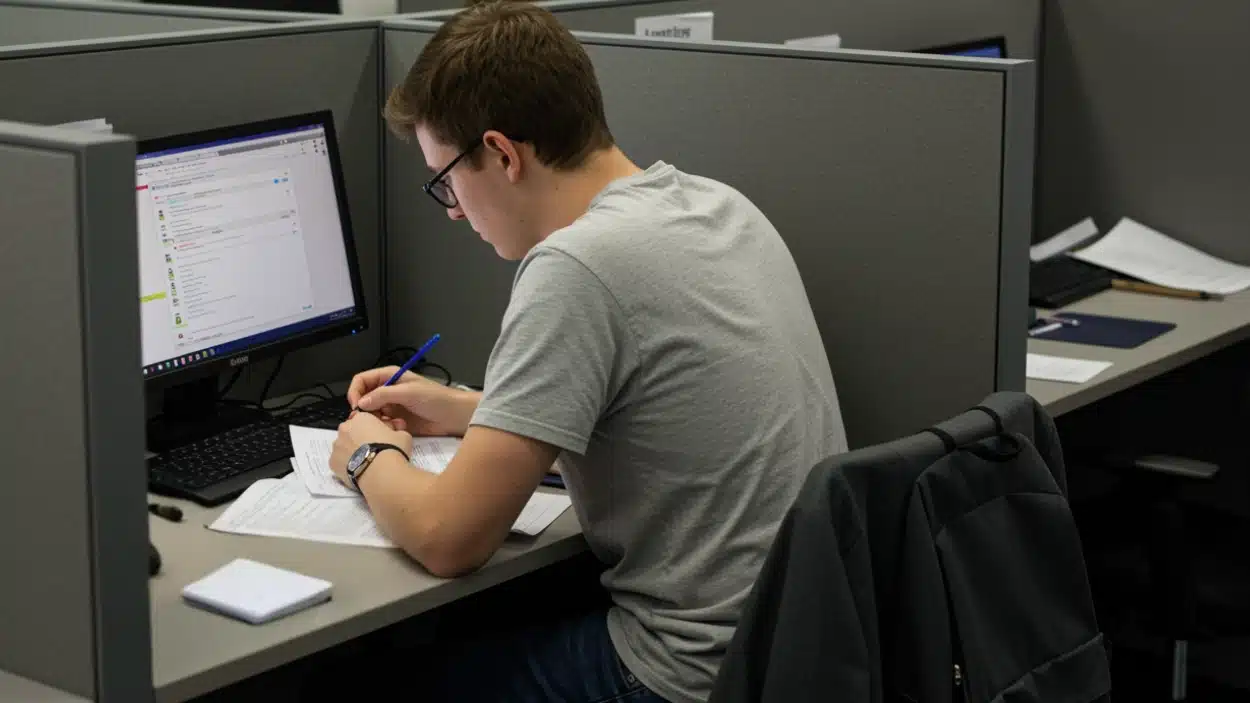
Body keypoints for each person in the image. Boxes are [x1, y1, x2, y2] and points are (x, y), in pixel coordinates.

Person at [326, 2, 848, 701]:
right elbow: (655, 404)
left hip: (689, 677)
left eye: (446, 181)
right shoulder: (715, 205)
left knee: (367, 681)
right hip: (802, 653)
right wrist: (461, 409)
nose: (452, 210)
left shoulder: (576, 266)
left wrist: (366, 454)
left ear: (503, 154)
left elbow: (448, 537)